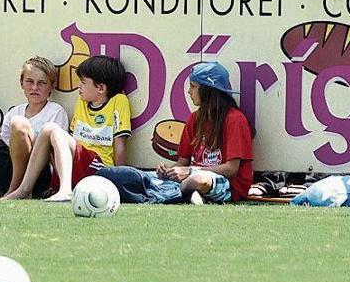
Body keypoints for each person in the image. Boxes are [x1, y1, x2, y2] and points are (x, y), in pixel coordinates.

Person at [102, 62, 253, 204]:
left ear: (208, 91)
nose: (189, 91)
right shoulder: (195, 118)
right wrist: (169, 171)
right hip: (189, 176)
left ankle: (167, 195)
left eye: (193, 86)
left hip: (229, 185)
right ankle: (182, 193)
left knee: (197, 180)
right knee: (122, 174)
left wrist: (189, 171)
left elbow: (231, 169)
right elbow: (183, 161)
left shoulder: (235, 119)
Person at [2, 55, 130, 202]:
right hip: (76, 166)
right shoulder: (81, 102)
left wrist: (119, 180)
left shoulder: (119, 101)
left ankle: (65, 190)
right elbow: (72, 141)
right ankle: (25, 189)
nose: (78, 86)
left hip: (99, 166)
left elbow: (120, 145)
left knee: (51, 128)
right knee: (48, 131)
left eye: (83, 82)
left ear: (100, 88)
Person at [0, 57, 68, 197]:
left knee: (19, 124)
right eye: (29, 81)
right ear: (21, 83)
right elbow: (5, 147)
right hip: (12, 169)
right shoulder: (14, 112)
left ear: (52, 86)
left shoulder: (56, 111)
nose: (35, 88)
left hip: (41, 174)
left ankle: (17, 189)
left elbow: (55, 151)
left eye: (42, 83)